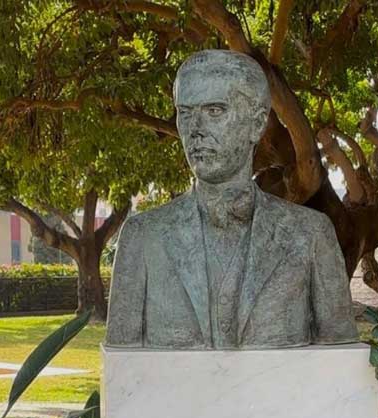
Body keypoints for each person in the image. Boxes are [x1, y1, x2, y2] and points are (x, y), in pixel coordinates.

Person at [105, 50, 357, 348]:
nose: (195, 130)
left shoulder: (311, 235)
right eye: (185, 113)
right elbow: (122, 371)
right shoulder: (143, 238)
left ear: (257, 123)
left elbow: (340, 362)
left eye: (215, 111)